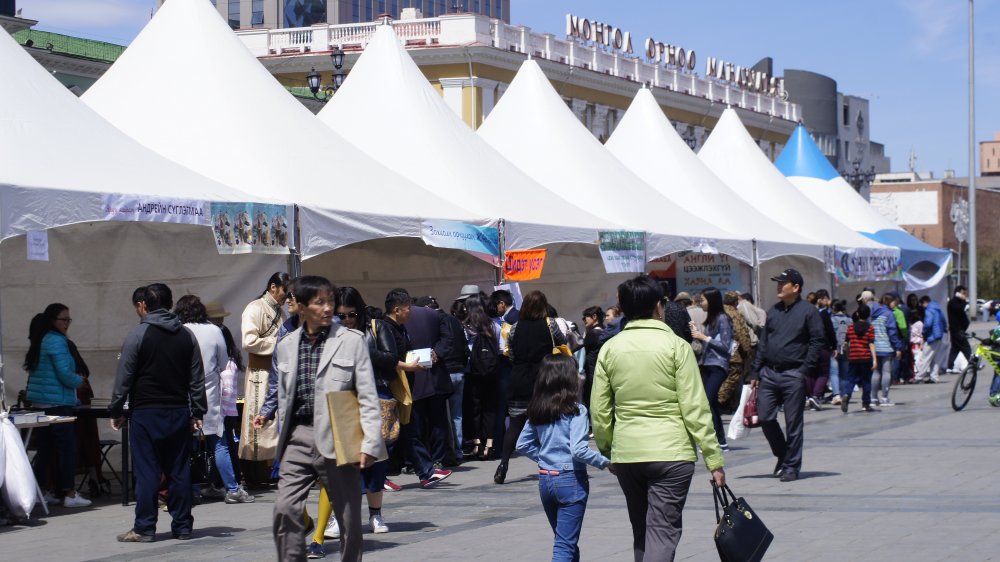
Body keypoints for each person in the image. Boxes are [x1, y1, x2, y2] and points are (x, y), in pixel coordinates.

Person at [591, 275, 725, 561]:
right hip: (672, 453)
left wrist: (607, 449)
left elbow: (600, 410)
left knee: (641, 530)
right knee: (662, 531)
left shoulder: (610, 348)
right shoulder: (677, 346)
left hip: (627, 453)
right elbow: (696, 407)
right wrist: (713, 458)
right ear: (658, 306)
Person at [271, 276, 386, 562]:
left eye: (330, 301)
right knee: (285, 509)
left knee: (348, 517)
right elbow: (282, 394)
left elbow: (367, 396)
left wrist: (370, 442)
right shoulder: (286, 345)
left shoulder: (351, 341)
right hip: (297, 438)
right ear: (299, 306)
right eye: (319, 302)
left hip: (339, 436)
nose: (327, 309)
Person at [110, 283, 206, 542]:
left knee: (148, 471)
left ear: (143, 306)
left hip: (146, 412)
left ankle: (144, 527)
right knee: (179, 470)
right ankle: (183, 526)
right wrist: (198, 411)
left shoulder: (138, 335)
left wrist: (117, 409)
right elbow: (197, 378)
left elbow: (124, 377)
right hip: (178, 411)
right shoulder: (186, 336)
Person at [309, 287, 401, 557]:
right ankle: (339, 517)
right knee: (342, 463)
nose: (347, 320)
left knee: (375, 462)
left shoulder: (376, 328)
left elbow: (391, 358)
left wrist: (359, 347)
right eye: (342, 315)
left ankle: (375, 514)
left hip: (376, 398)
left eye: (352, 315)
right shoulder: (330, 335)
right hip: (343, 404)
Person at [516, 354, 610, 562]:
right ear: (568, 379)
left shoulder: (538, 410)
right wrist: (606, 463)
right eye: (576, 372)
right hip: (570, 480)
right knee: (564, 546)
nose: (579, 376)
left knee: (566, 541)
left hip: (546, 480)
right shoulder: (576, 411)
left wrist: (543, 459)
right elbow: (579, 450)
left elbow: (522, 444)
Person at [174, 295, 253, 505]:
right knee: (220, 444)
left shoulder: (177, 330)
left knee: (186, 446)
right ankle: (232, 489)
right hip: (209, 393)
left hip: (183, 393)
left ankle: (189, 490)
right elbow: (224, 361)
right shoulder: (214, 331)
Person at [749, 269, 824, 482]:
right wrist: (755, 370)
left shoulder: (809, 312)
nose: (778, 287)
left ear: (796, 287)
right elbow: (763, 344)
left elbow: (817, 342)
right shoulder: (773, 312)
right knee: (765, 417)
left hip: (793, 373)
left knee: (793, 423)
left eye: (783, 283)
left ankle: (792, 466)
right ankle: (782, 454)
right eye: (778, 283)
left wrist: (804, 370)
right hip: (770, 373)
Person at [381, 288, 453, 488]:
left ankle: (425, 472)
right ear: (397, 310)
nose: (410, 312)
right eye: (407, 309)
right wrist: (409, 366)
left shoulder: (399, 327)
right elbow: (389, 359)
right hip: (392, 387)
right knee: (390, 434)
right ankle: (380, 476)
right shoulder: (386, 328)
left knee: (407, 430)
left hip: (403, 386)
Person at [495, 290, 568, 485]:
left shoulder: (515, 328)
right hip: (544, 381)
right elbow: (563, 341)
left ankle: (503, 465)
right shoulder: (549, 324)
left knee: (515, 424)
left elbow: (511, 356)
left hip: (519, 380)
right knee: (549, 423)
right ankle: (552, 463)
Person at [24, 304, 91, 508]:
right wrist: (79, 381)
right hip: (57, 403)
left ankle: (41, 491)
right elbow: (64, 374)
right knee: (66, 450)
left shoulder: (42, 339)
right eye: (64, 319)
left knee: (45, 450)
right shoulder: (56, 341)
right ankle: (69, 493)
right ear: (53, 320)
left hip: (42, 402)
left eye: (69, 319)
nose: (67, 323)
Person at [240, 272, 289, 483]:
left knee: (276, 421)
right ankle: (257, 472)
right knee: (262, 420)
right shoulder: (255, 308)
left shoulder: (281, 313)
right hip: (261, 373)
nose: (286, 298)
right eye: (284, 292)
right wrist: (279, 345)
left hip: (276, 371)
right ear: (273, 287)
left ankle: (275, 468)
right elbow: (249, 341)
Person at [406, 294, 455, 468]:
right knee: (434, 422)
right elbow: (448, 339)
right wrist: (438, 352)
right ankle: (433, 458)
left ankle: (427, 459)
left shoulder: (405, 317)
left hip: (420, 376)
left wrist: (437, 352)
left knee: (423, 422)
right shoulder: (437, 316)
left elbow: (447, 340)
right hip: (427, 376)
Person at [689, 287, 733, 450]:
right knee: (711, 404)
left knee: (707, 402)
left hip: (718, 365)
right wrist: (697, 333)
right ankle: (721, 441)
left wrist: (704, 337)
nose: (701, 304)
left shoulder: (723, 318)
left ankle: (714, 440)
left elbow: (725, 345)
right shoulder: (712, 319)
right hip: (707, 364)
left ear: (712, 300)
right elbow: (707, 343)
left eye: (703, 300)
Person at [465, 296, 501, 461]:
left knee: (475, 408)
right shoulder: (493, 325)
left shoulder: (467, 327)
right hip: (492, 373)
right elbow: (500, 349)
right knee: (490, 408)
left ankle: (477, 443)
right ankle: (490, 445)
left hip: (474, 373)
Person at [860, 291, 903, 407]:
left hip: (873, 347)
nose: (895, 304)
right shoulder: (889, 314)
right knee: (886, 372)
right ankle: (884, 397)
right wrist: (898, 347)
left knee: (875, 372)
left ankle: (873, 398)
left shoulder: (871, 313)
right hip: (886, 347)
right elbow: (892, 332)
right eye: (894, 302)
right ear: (890, 302)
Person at [717, 291, 752, 411]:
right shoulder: (734, 314)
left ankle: (728, 405)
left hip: (716, 352)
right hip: (733, 353)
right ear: (735, 302)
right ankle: (716, 401)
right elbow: (742, 334)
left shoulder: (718, 312)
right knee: (732, 378)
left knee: (721, 378)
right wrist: (747, 351)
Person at [841, 304, 877, 413]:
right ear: (868, 315)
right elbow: (871, 343)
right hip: (866, 358)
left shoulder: (851, 327)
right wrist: (874, 359)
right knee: (866, 381)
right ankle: (866, 404)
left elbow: (846, 343)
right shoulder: (870, 328)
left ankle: (847, 394)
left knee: (851, 379)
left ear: (857, 314)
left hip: (854, 357)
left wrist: (848, 354)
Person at [806, 289, 837, 410]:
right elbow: (830, 331)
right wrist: (834, 346)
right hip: (822, 346)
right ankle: (816, 395)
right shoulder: (823, 314)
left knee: (810, 372)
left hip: (808, 347)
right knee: (823, 372)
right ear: (818, 301)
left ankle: (810, 397)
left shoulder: (804, 313)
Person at [914, 296, 948, 383]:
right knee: (936, 359)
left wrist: (924, 332)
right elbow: (944, 321)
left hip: (931, 336)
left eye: (922, 304)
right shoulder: (938, 309)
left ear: (925, 302)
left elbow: (928, 324)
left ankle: (919, 377)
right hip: (938, 336)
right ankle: (934, 377)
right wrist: (944, 329)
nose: (922, 306)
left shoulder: (929, 310)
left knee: (925, 357)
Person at [580, 306, 605, 411]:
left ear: (594, 317)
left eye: (585, 317)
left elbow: (582, 350)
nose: (584, 320)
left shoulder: (592, 334)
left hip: (591, 373)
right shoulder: (604, 331)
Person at [829, 300, 851, 404]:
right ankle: (844, 394)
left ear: (834, 309)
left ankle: (836, 395)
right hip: (846, 348)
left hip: (835, 348)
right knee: (844, 373)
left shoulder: (832, 320)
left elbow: (830, 333)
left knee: (834, 372)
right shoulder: (849, 320)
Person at [947, 286, 971, 372]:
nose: (964, 295)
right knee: (966, 348)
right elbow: (960, 309)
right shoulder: (953, 302)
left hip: (959, 330)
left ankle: (950, 366)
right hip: (957, 330)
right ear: (957, 293)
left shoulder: (959, 302)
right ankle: (971, 365)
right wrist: (964, 301)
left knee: (955, 348)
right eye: (963, 293)